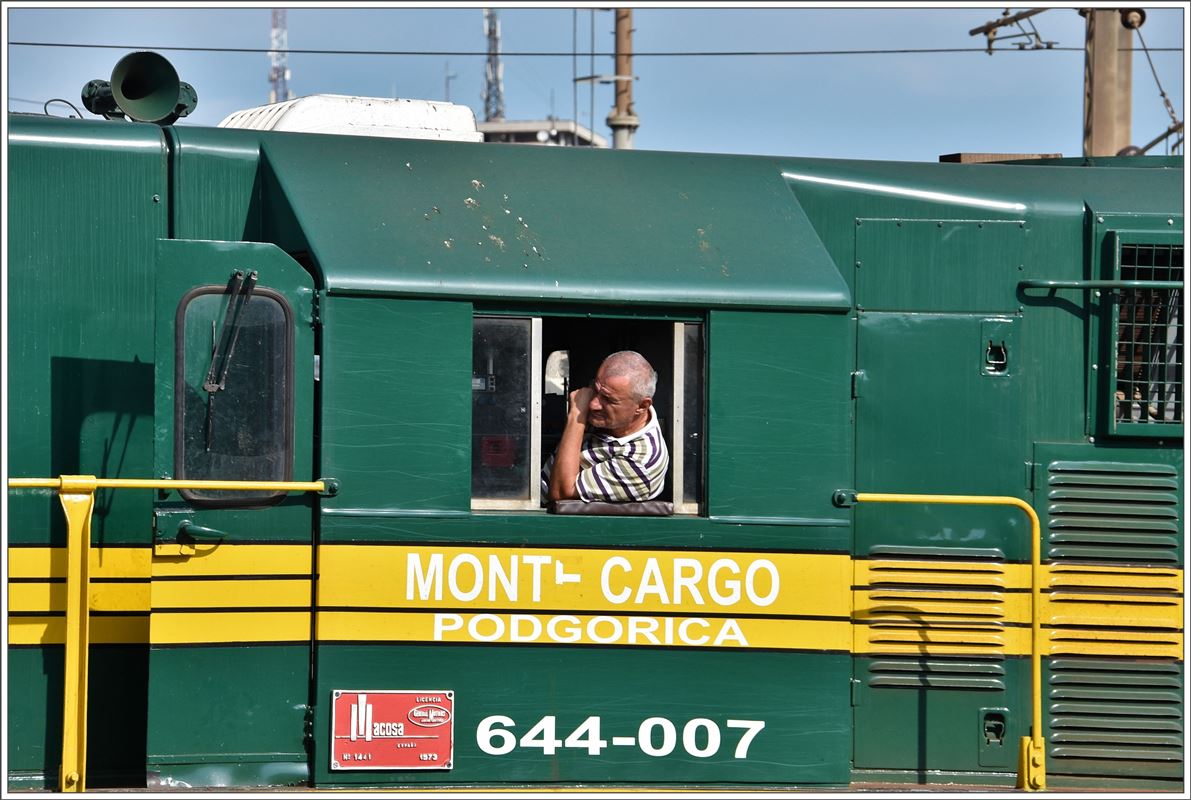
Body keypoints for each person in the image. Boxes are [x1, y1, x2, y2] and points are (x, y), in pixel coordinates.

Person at [542, 351, 669, 503]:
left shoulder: (639, 463)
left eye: (608, 399)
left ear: (642, 406)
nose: (593, 404)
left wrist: (576, 416)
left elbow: (561, 492)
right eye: (595, 390)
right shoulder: (611, 419)